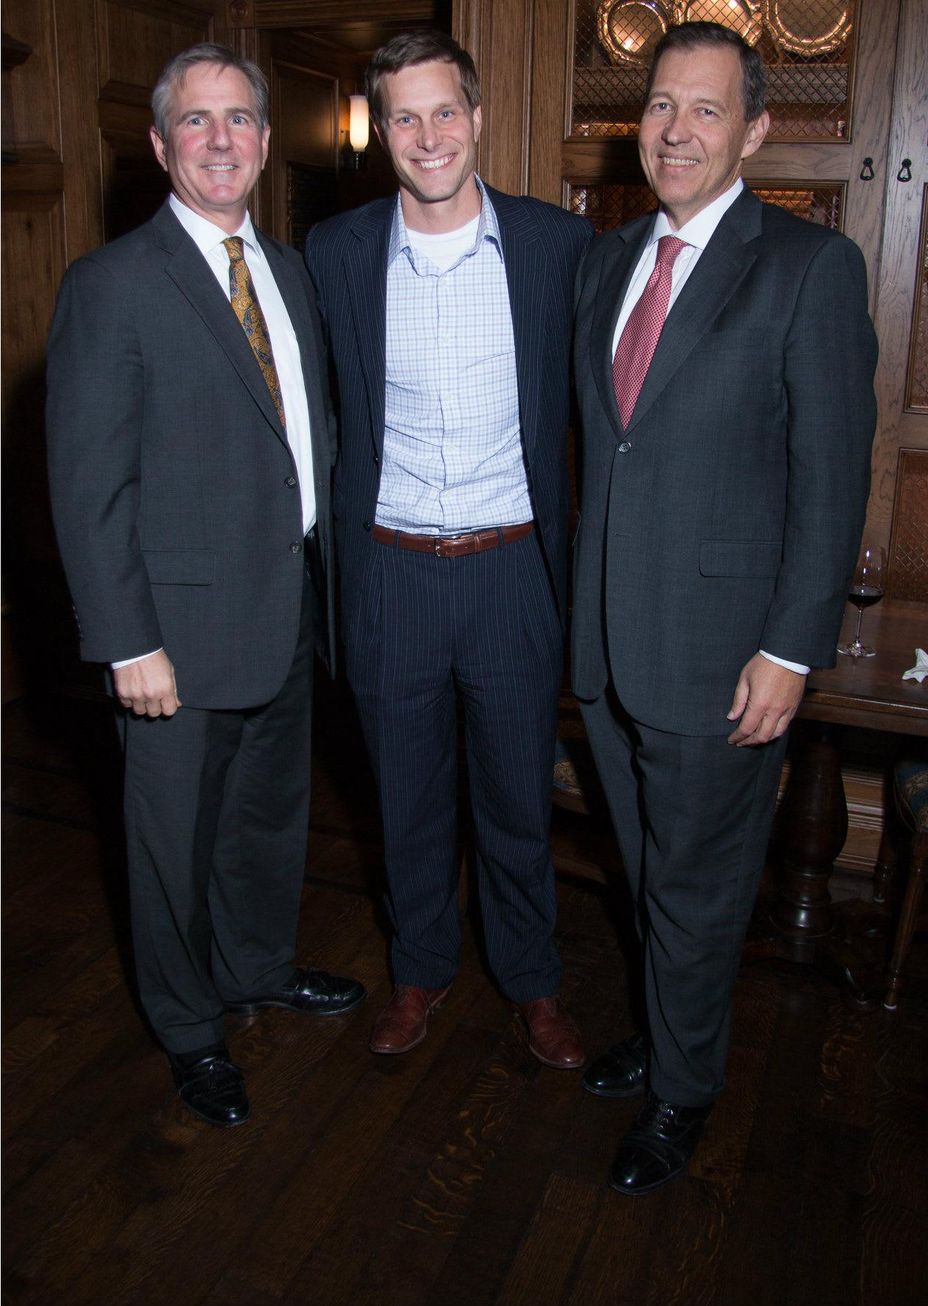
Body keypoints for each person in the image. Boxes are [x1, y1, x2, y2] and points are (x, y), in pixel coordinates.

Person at [571, 21, 878, 1193]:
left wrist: (787, 649)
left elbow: (831, 476)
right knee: (646, 875)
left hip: (721, 654)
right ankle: (663, 1033)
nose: (674, 128)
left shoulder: (806, 268)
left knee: (697, 893)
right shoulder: (607, 263)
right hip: (605, 644)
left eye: (703, 109)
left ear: (751, 130)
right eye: (657, 104)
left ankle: (682, 1093)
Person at [46, 43, 365, 1128]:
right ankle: (188, 1027)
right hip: (172, 635)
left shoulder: (288, 269)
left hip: (286, 610)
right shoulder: (110, 285)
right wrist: (125, 640)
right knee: (168, 841)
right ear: (158, 144)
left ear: (267, 143)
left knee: (267, 823)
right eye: (197, 121)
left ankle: (254, 968)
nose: (221, 139)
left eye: (239, 119)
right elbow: (88, 485)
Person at [305, 31, 591, 1067]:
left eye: (444, 112)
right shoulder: (333, 255)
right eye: (403, 116)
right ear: (380, 132)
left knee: (518, 797)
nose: (427, 136)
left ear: (475, 117)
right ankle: (419, 969)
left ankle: (532, 983)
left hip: (513, 569)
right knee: (406, 799)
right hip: (387, 570)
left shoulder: (557, 248)